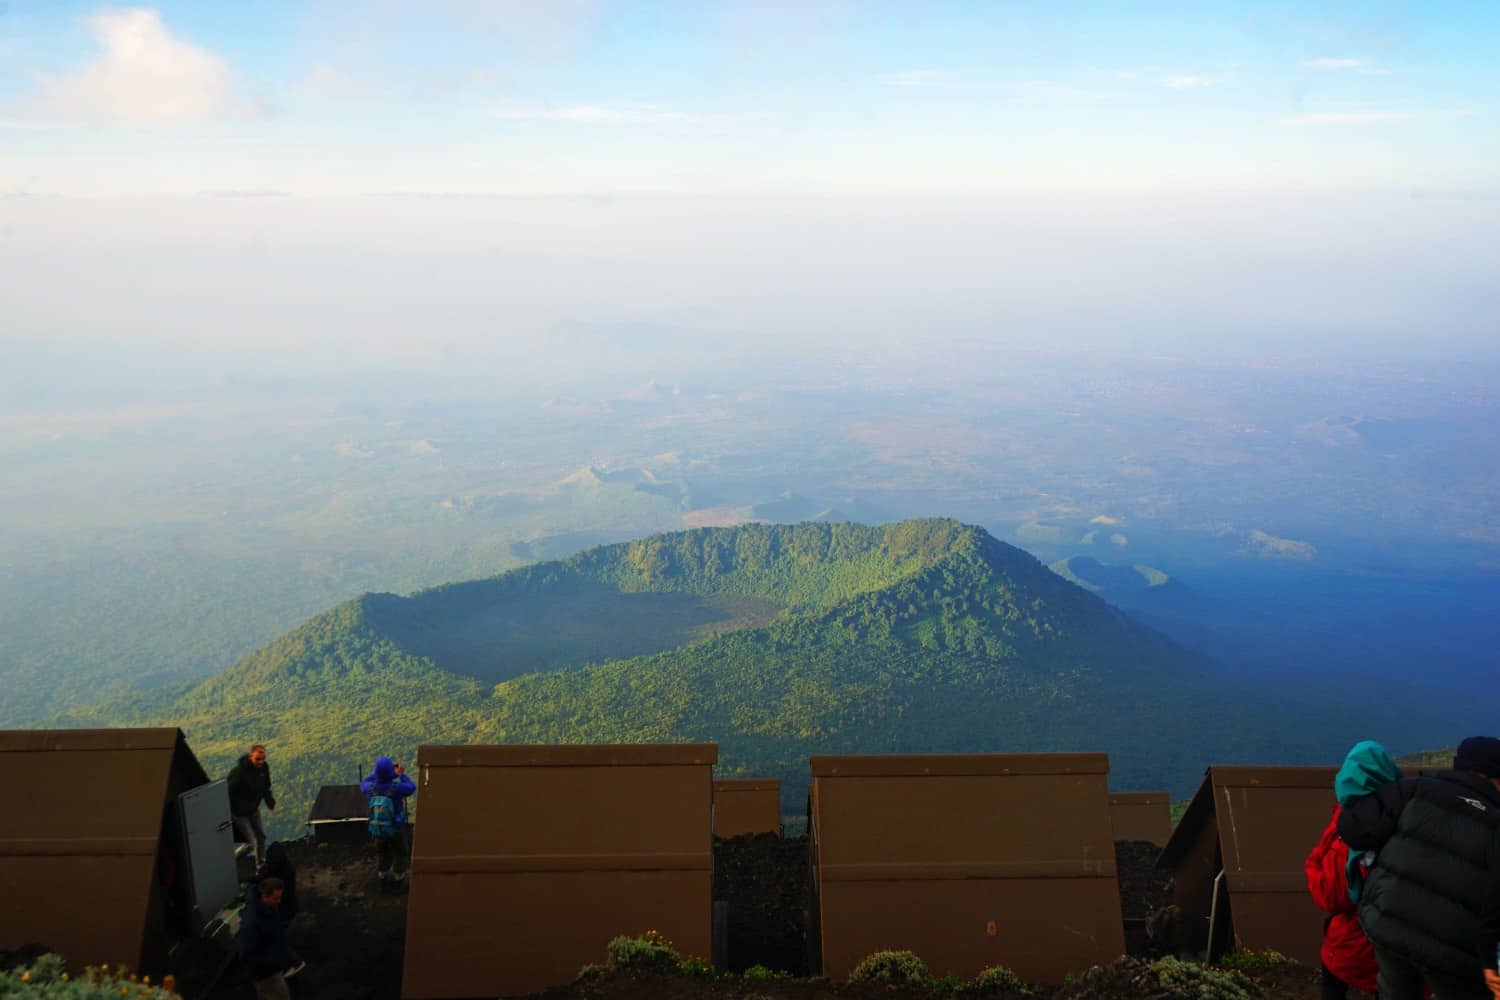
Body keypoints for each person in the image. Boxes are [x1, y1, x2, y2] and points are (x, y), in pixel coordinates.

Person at [1338, 736, 1500, 1000]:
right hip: (1453, 945)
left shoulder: (1413, 790)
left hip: (1388, 916)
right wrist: (1489, 960)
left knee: (1395, 991)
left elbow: (1354, 828)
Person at [1306, 740, 1398, 999]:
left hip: (1355, 946)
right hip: (1404, 947)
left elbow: (1331, 895)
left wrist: (1313, 862)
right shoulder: (1409, 814)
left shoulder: (1350, 828)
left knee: (1333, 984)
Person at [360, 755, 416, 885]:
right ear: (391, 771)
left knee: (383, 853)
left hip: (378, 828)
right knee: (401, 852)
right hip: (396, 828)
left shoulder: (370, 788)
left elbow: (363, 783)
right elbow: (411, 787)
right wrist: (401, 774)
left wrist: (377, 774)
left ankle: (383, 878)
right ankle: (398, 879)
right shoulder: (397, 789)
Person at [239, 877, 292, 1000]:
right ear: (264, 896)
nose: (279, 902)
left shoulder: (270, 908)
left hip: (272, 968)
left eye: (280, 897)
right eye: (275, 898)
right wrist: (272, 962)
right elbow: (246, 954)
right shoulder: (251, 923)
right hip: (265, 974)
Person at [227, 744, 276, 870]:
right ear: (250, 757)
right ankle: (230, 862)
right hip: (239, 813)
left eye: (263, 758)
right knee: (251, 843)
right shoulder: (238, 773)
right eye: (258, 759)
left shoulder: (264, 768)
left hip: (253, 809)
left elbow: (266, 786)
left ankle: (261, 865)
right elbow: (227, 792)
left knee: (261, 837)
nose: (261, 761)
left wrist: (269, 801)